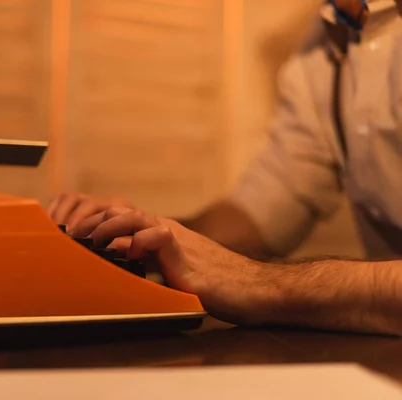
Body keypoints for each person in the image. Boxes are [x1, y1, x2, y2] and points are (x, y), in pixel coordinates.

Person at [47, 0, 402, 336]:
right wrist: (148, 234)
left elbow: (246, 270)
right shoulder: (324, 50)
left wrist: (257, 282)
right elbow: (266, 208)